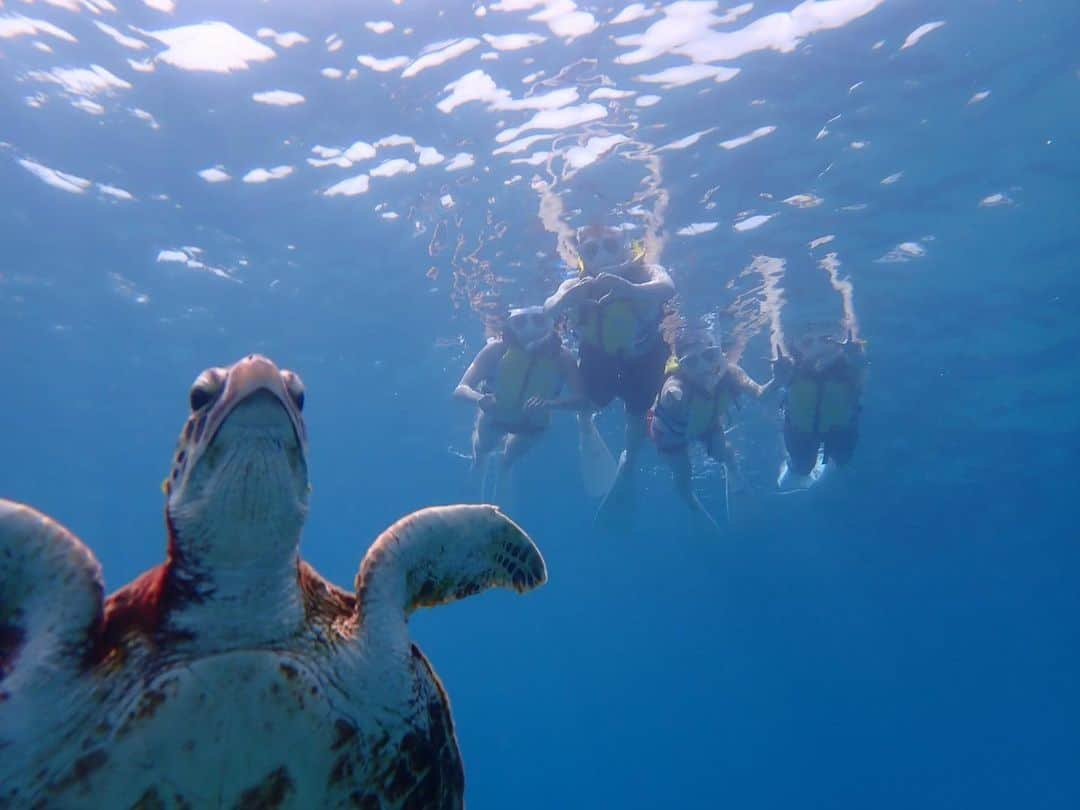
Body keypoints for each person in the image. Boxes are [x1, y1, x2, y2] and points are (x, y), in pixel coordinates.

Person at [543, 224, 676, 526]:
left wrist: (631, 290)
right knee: (591, 402)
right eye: (591, 250)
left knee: (637, 415)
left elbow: (668, 287)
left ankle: (628, 463)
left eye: (610, 245)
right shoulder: (575, 284)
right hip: (597, 359)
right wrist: (564, 300)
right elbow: (549, 308)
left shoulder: (647, 272)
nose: (602, 254)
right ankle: (585, 422)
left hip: (644, 359)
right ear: (582, 258)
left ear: (626, 246)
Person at [650, 330, 786, 534]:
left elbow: (760, 394)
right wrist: (671, 396)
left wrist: (778, 380)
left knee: (728, 454)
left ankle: (734, 475)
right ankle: (691, 504)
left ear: (720, 354)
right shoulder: (676, 385)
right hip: (672, 436)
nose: (704, 367)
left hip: (706, 425)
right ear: (681, 367)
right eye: (692, 362)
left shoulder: (731, 373)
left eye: (709, 355)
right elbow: (670, 393)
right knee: (683, 476)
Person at [454, 305, 586, 503]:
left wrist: (549, 404)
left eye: (538, 321)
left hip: (533, 425)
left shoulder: (563, 358)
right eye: (521, 322)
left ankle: (502, 476)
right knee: (482, 451)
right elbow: (460, 390)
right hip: (495, 418)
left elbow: (582, 400)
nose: (530, 328)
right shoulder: (495, 350)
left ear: (550, 325)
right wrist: (479, 399)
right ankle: (479, 468)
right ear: (510, 327)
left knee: (508, 460)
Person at [777, 330, 864, 489]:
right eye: (808, 342)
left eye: (826, 339)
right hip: (801, 430)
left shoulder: (847, 366)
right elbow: (778, 381)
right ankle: (795, 464)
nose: (818, 347)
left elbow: (860, 383)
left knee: (842, 459)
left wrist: (857, 359)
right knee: (802, 466)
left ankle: (824, 468)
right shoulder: (791, 367)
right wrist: (779, 374)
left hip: (839, 428)